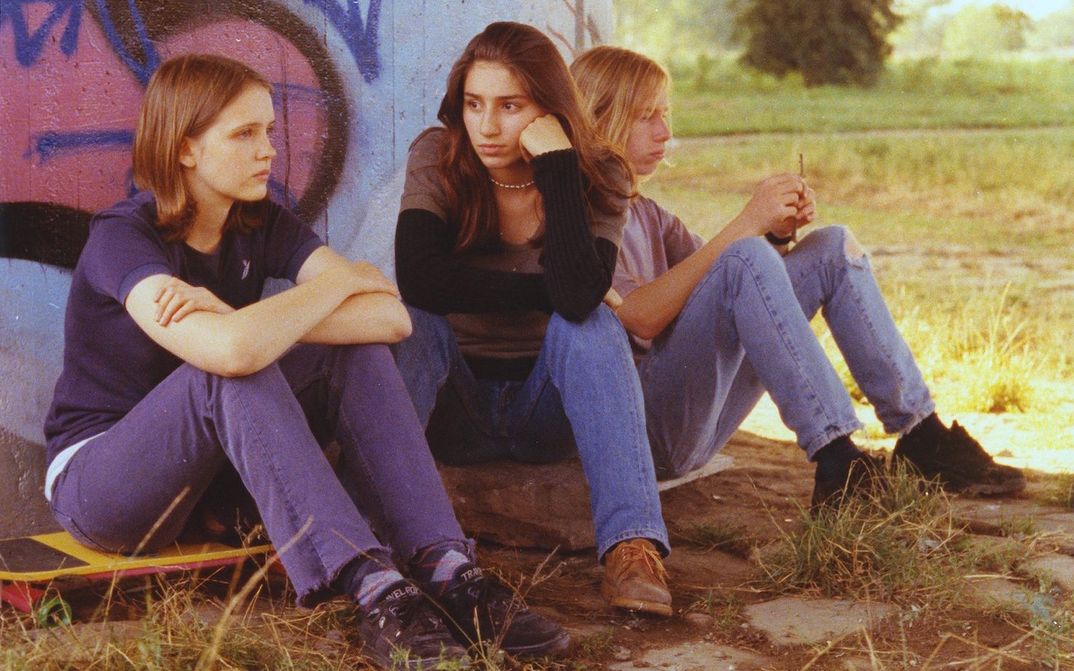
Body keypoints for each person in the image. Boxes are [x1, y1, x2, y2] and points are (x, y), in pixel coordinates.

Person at [42, 53, 567, 668]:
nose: (269, 149)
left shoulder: (264, 224)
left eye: (268, 130)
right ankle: (373, 589)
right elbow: (231, 351)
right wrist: (341, 283)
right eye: (244, 134)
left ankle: (446, 567)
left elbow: (391, 320)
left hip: (211, 482)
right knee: (229, 375)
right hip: (105, 485)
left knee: (353, 354)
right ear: (185, 149)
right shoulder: (123, 238)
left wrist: (265, 311)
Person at [569, 45, 1025, 512]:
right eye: (646, 116)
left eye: (665, 114)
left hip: (690, 417)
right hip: (640, 434)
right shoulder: (577, 216)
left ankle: (920, 434)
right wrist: (749, 224)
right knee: (744, 251)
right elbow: (639, 318)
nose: (665, 132)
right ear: (597, 117)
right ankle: (836, 459)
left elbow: (727, 282)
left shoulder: (646, 213)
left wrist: (777, 236)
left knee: (831, 248)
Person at [392, 22, 675, 618]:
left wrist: (558, 168)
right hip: (456, 404)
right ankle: (367, 539)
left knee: (593, 325)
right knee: (417, 321)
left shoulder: (602, 173)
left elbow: (576, 301)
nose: (487, 126)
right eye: (474, 104)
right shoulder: (438, 156)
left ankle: (631, 548)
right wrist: (541, 289)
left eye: (510, 106)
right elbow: (420, 277)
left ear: (549, 109)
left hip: (545, 408)